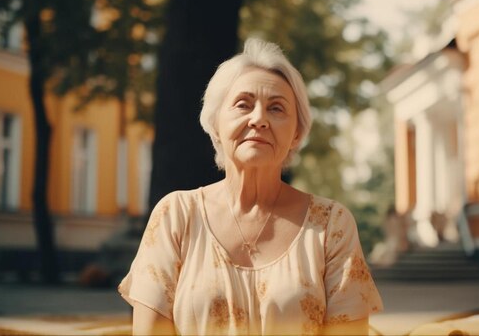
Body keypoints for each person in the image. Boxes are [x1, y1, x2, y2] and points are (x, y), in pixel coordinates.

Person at [118, 38, 383, 335]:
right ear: (216, 122)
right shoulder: (176, 215)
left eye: (277, 108)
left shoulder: (331, 226)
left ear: (296, 133)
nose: (259, 119)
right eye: (243, 104)